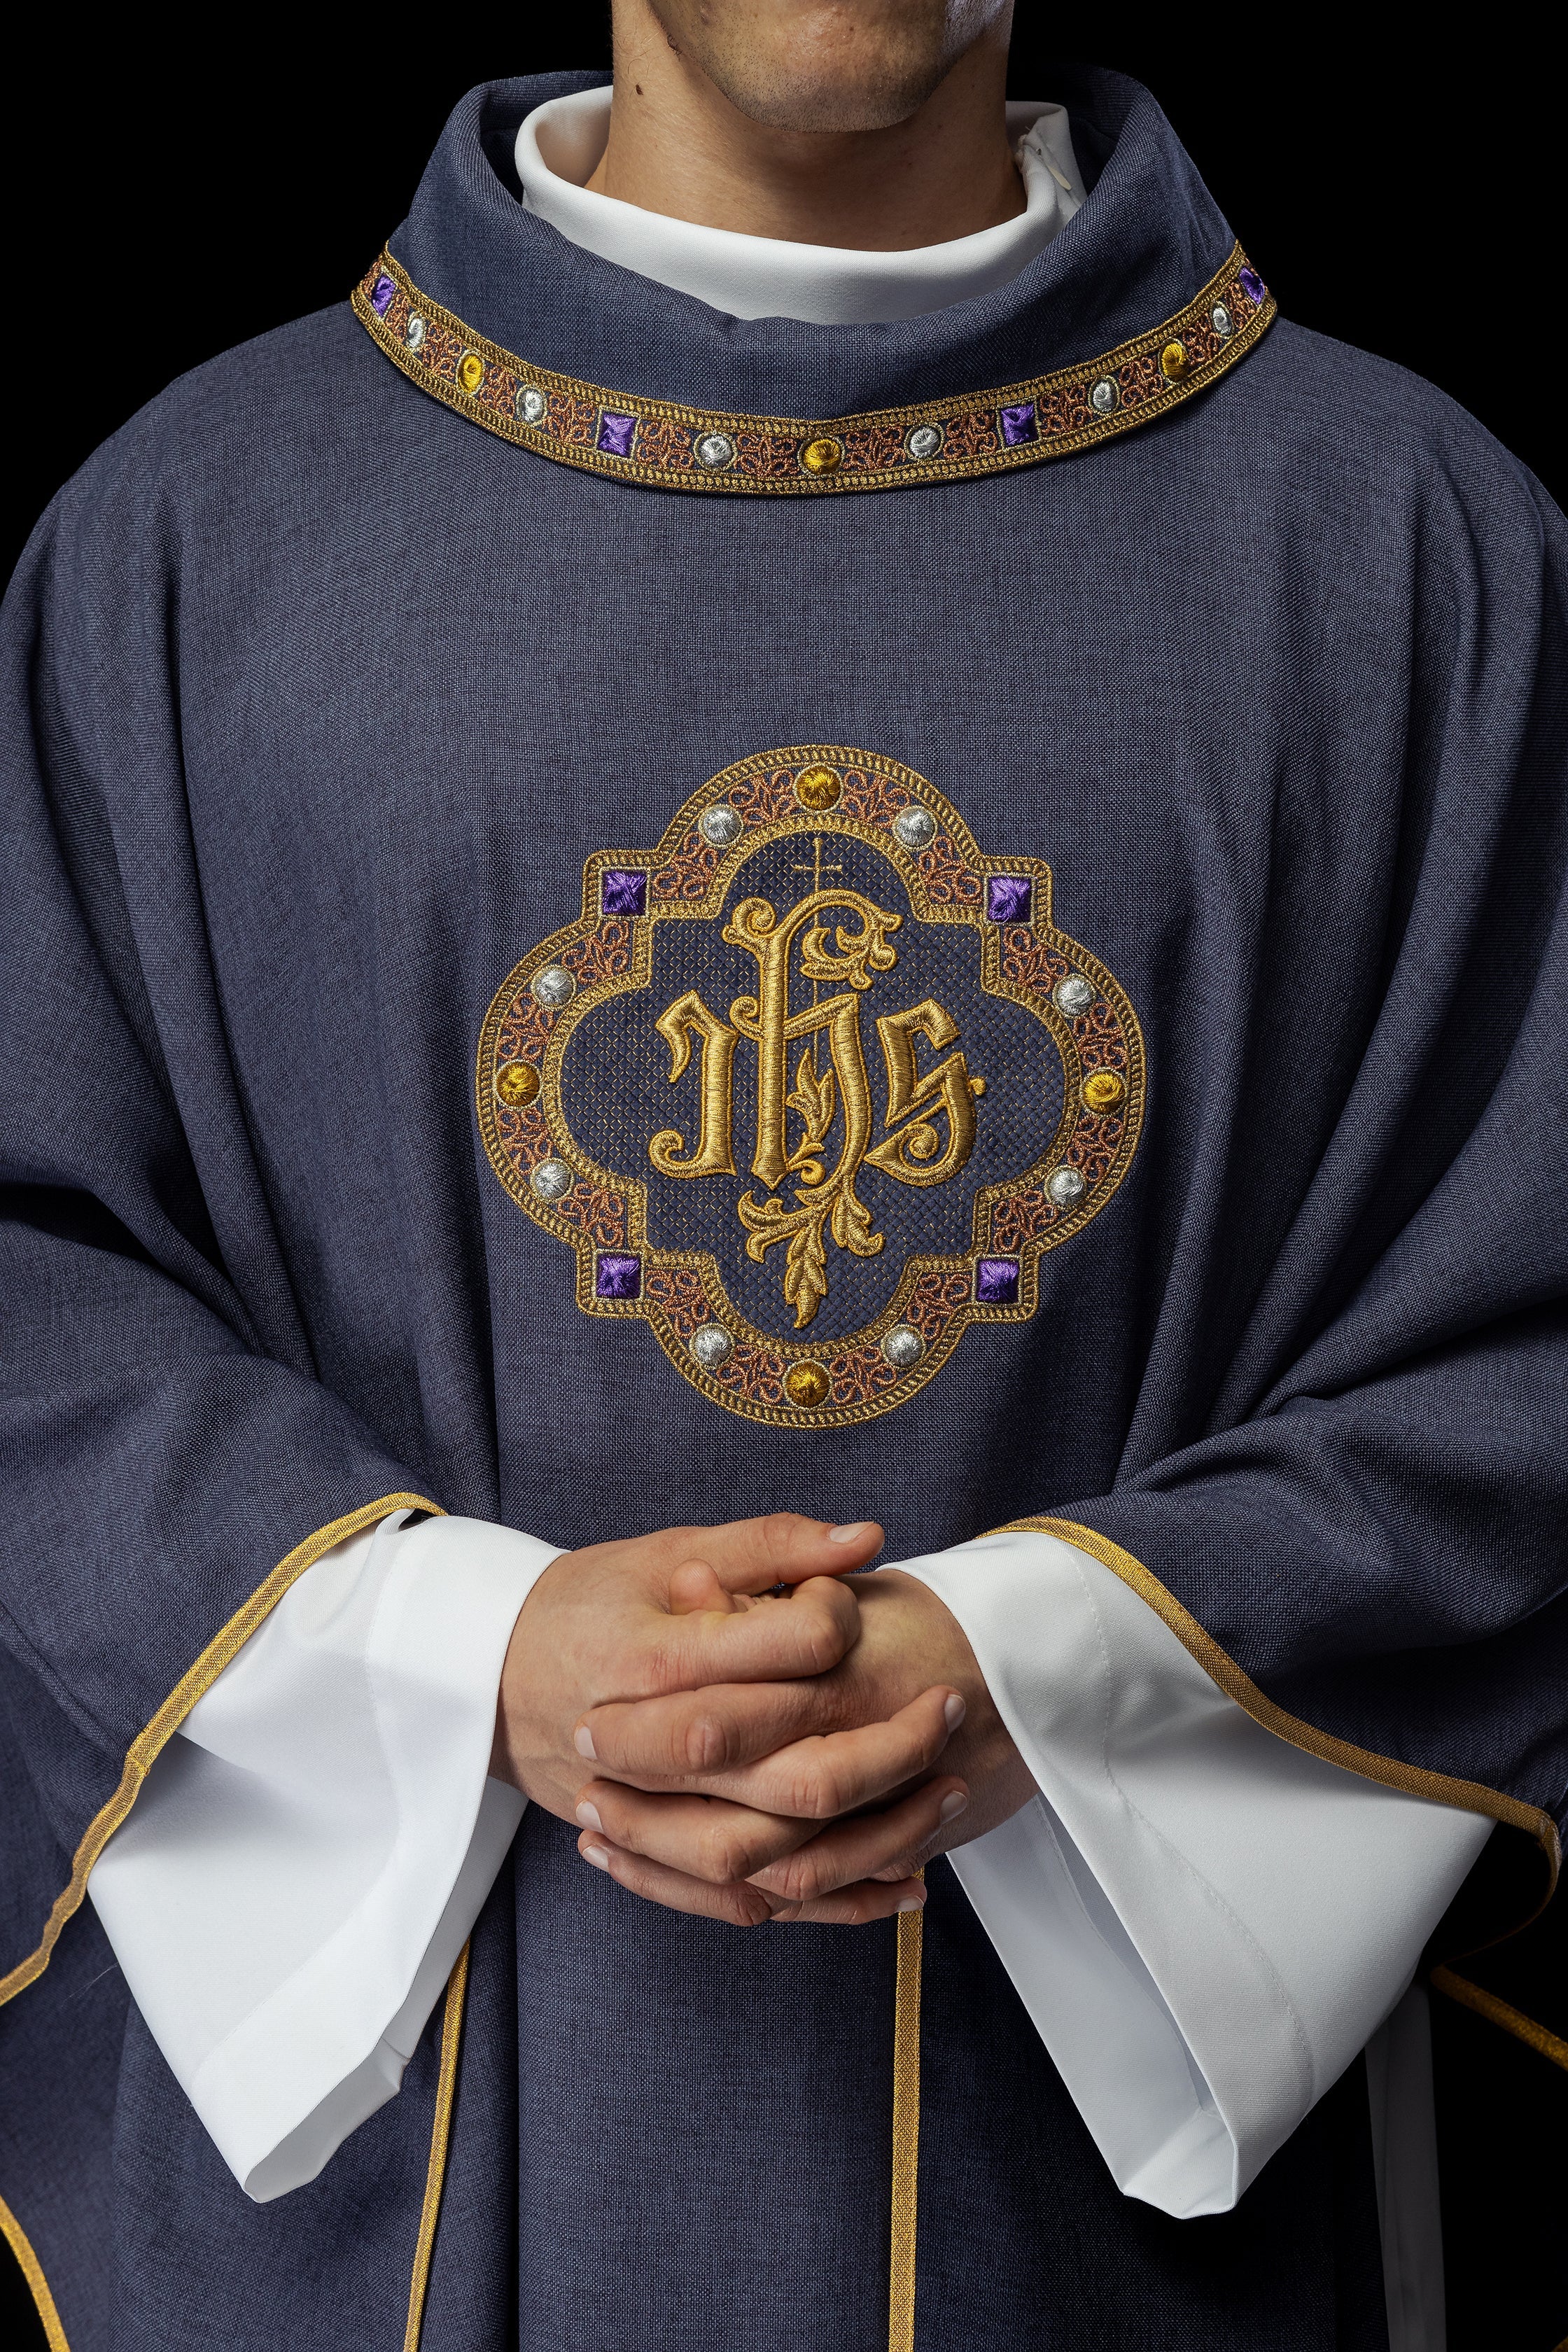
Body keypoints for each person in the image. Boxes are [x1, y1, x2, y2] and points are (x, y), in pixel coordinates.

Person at [1, 3, 1564, 2346]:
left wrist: (1052, 1671)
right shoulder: (186, 543)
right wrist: (457, 1657)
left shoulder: (1414, 552)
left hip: (1112, 2255)